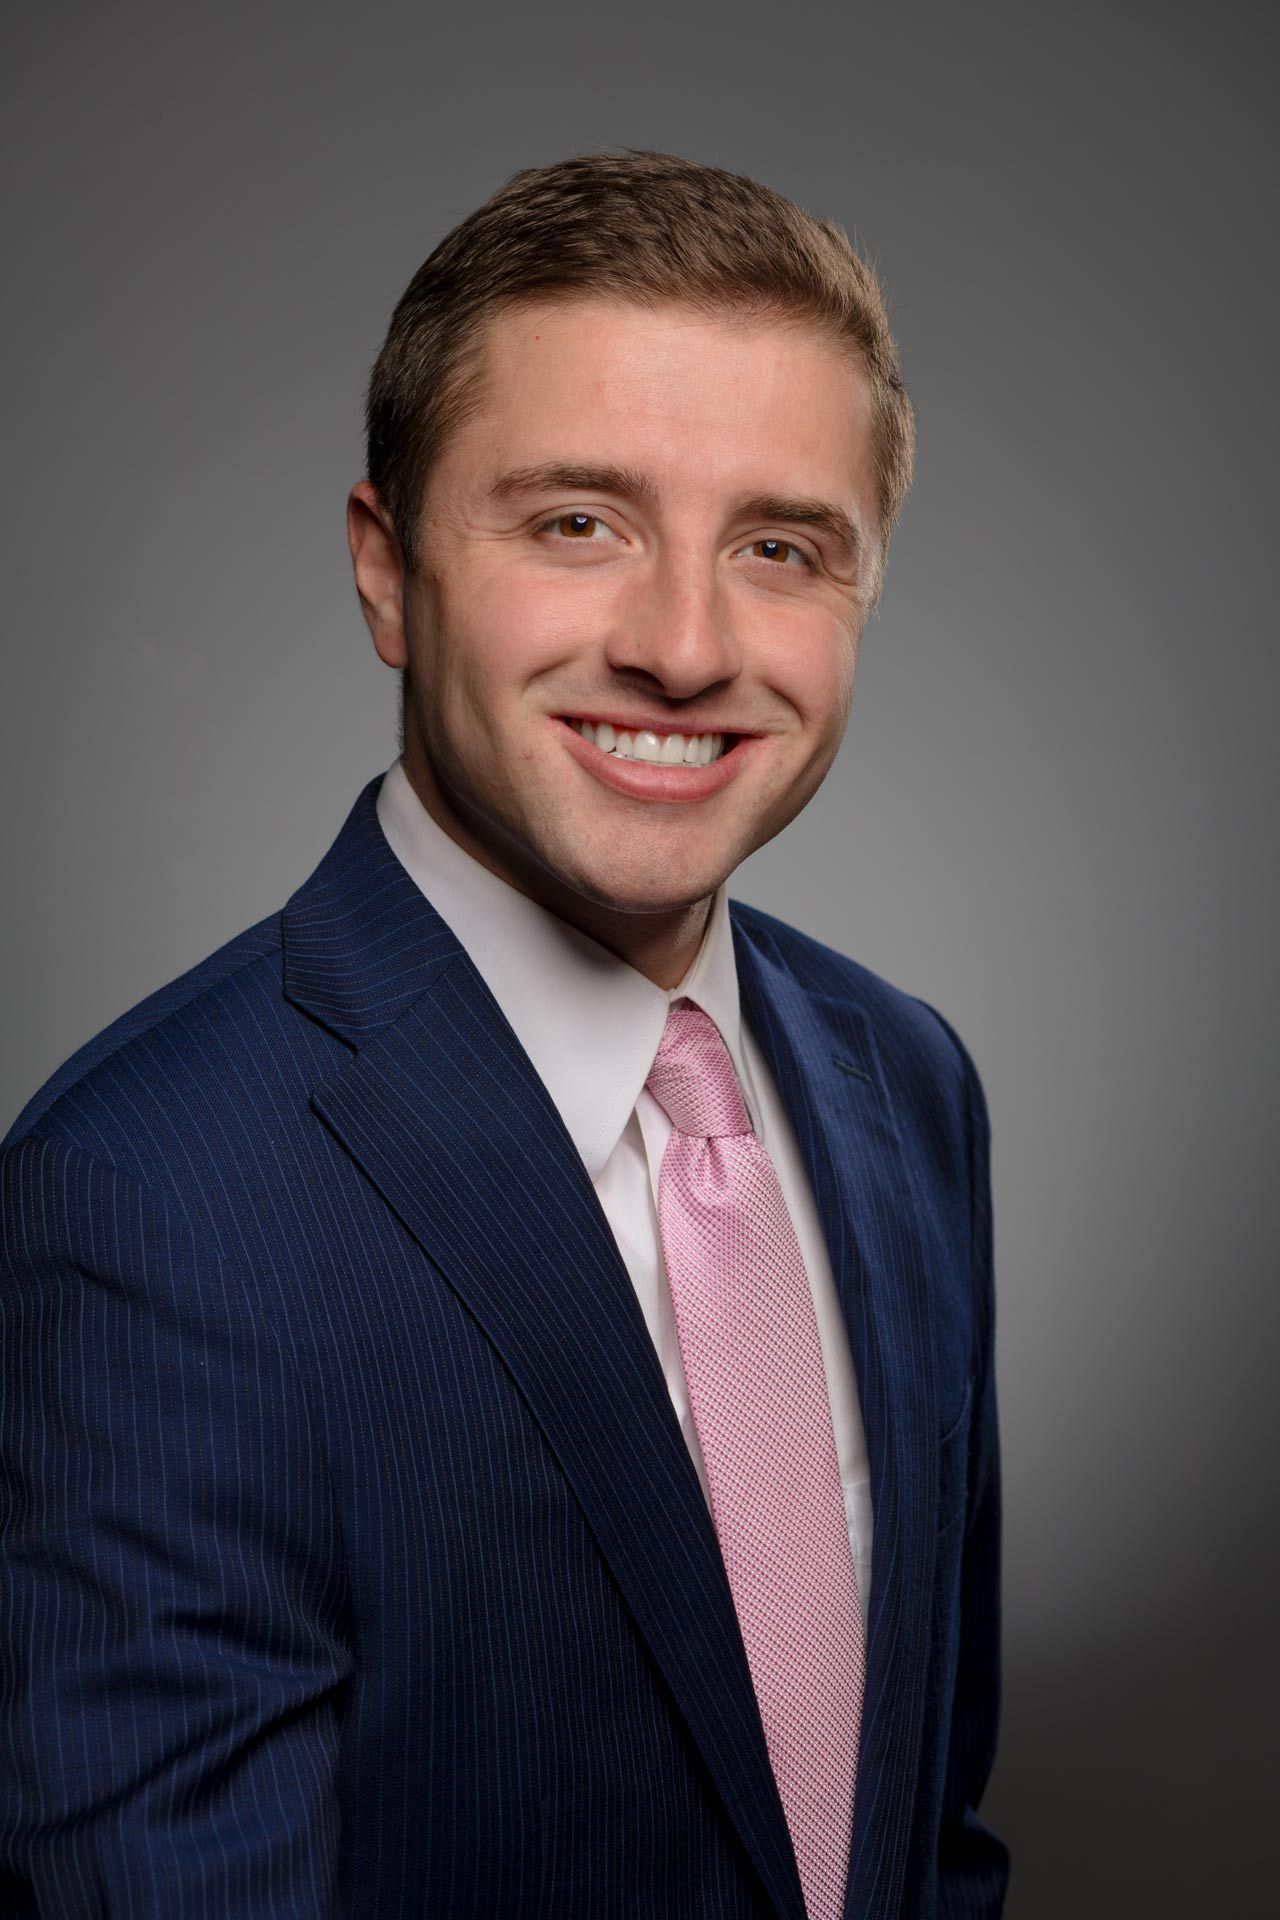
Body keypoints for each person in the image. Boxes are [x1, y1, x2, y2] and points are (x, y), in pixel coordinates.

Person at [0, 150, 1008, 1919]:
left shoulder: (905, 1083)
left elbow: (925, 1837)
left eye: (781, 548)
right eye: (577, 523)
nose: (688, 647)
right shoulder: (147, 1196)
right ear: (388, 571)